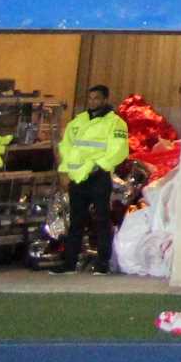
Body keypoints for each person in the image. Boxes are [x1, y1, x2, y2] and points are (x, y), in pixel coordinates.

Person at [53, 85, 129, 274]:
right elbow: (66, 146)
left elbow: (119, 149)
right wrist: (66, 170)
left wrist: (99, 165)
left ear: (105, 100)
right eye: (91, 98)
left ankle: (103, 264)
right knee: (76, 220)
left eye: (97, 98)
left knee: (102, 220)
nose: (93, 101)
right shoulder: (78, 121)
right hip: (78, 177)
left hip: (98, 177)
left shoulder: (115, 123)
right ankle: (69, 263)